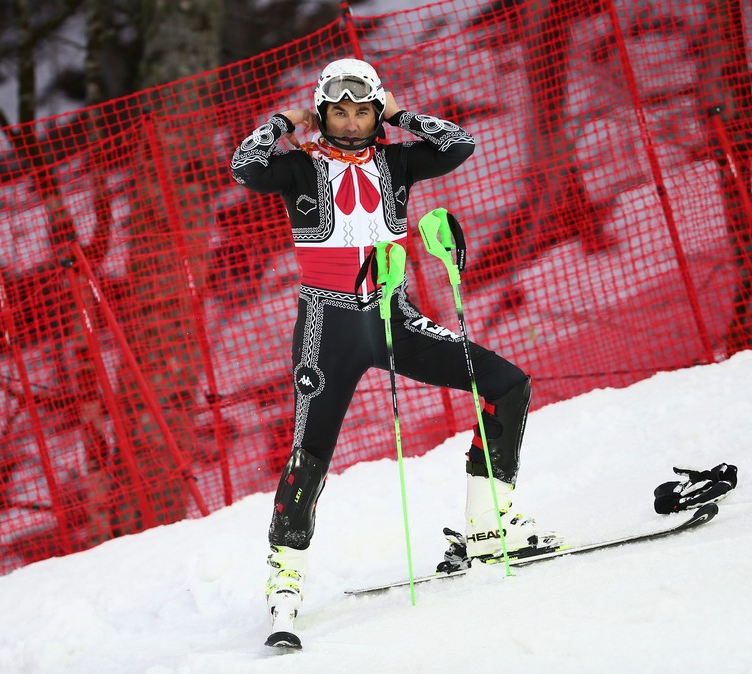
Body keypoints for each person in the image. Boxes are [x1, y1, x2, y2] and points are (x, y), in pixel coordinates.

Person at [230, 58, 560, 637]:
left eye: (363, 111)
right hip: (327, 328)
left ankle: (488, 526)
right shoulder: (300, 169)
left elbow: (460, 145)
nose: (352, 121)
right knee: (312, 452)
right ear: (323, 111)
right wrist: (285, 121)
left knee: (508, 384)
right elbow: (245, 167)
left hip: (394, 319)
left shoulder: (397, 160)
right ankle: (286, 575)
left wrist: (400, 115)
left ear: (376, 111)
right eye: (339, 111)